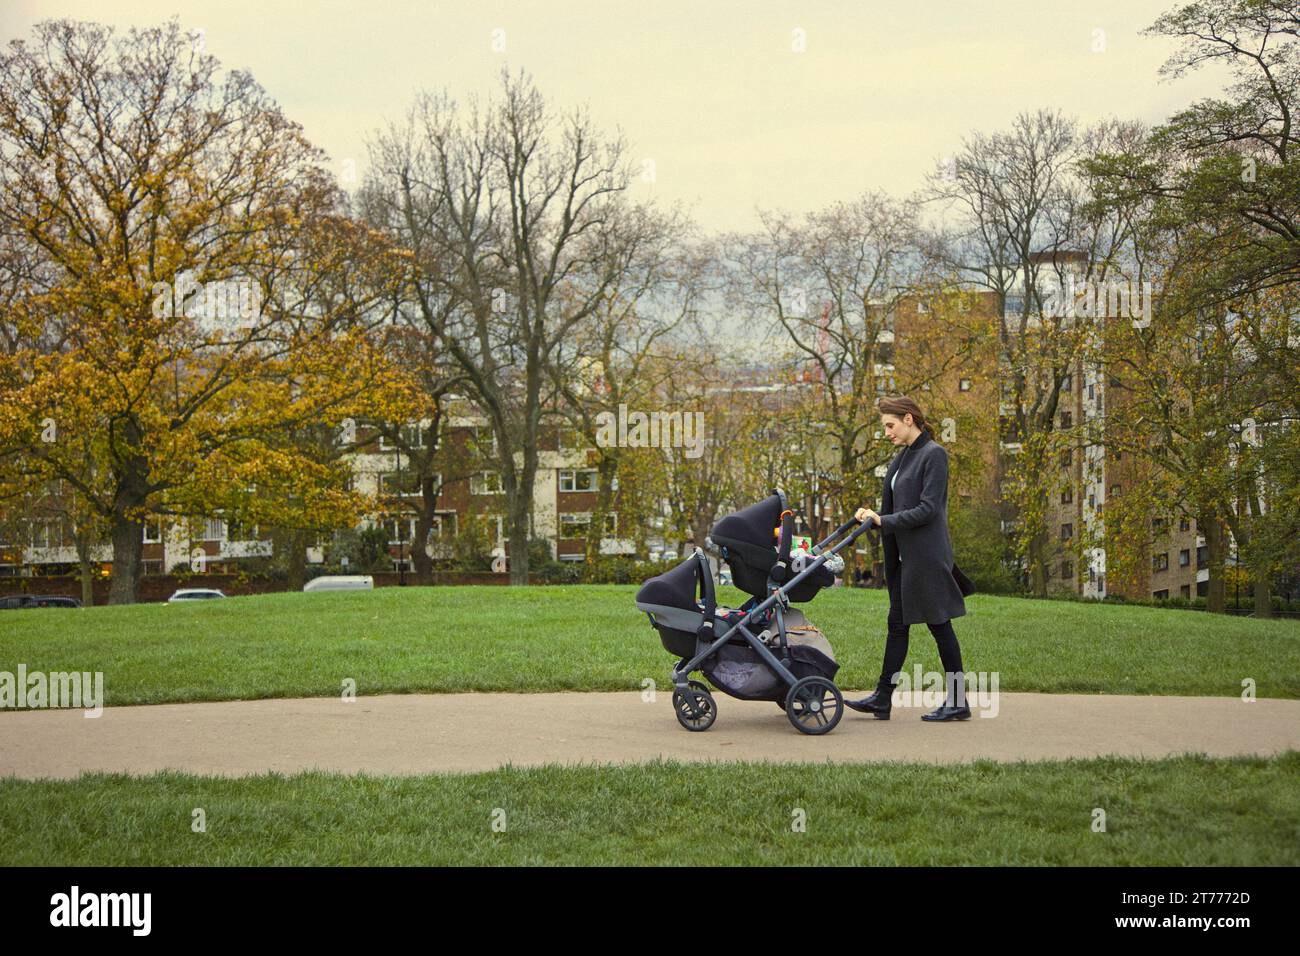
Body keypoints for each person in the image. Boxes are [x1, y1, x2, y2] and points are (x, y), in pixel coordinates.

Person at [846, 396, 974, 721]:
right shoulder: (902, 458)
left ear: (907, 419)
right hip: (906, 559)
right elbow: (892, 506)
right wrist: (871, 515)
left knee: (939, 625)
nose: (886, 432)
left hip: (928, 557)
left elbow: (927, 509)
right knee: (898, 625)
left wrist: (882, 521)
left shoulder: (934, 455)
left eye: (890, 425)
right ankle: (882, 698)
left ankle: (958, 701)